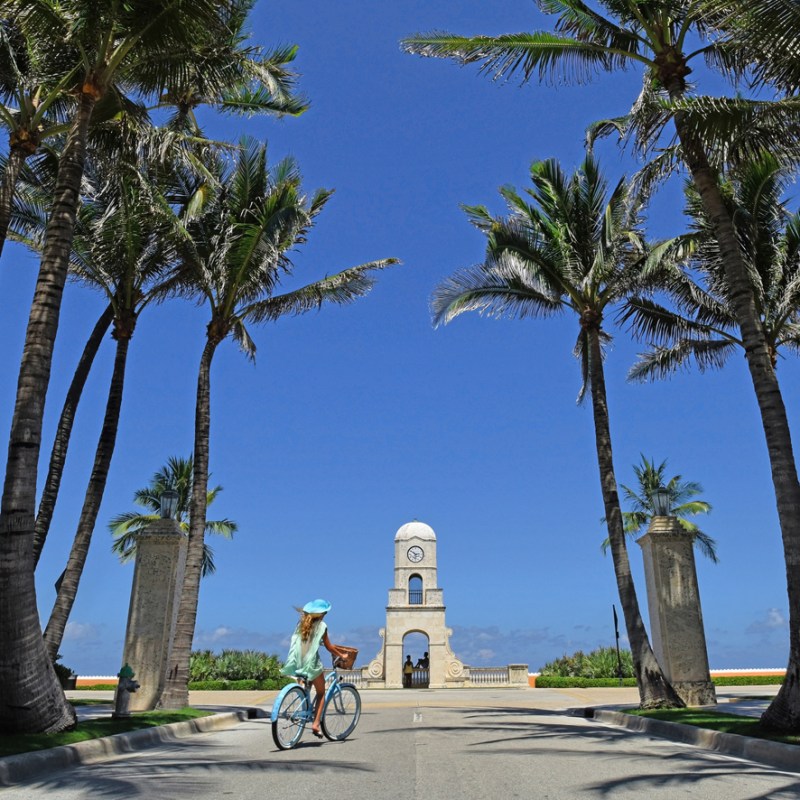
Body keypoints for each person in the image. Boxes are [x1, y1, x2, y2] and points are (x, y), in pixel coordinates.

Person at [280, 599, 346, 738]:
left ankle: (306, 708)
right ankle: (316, 724)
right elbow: (330, 647)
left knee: (307, 688)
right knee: (321, 693)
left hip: (297, 662)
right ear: (322, 614)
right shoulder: (322, 626)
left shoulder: (301, 625)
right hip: (312, 664)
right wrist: (342, 655)